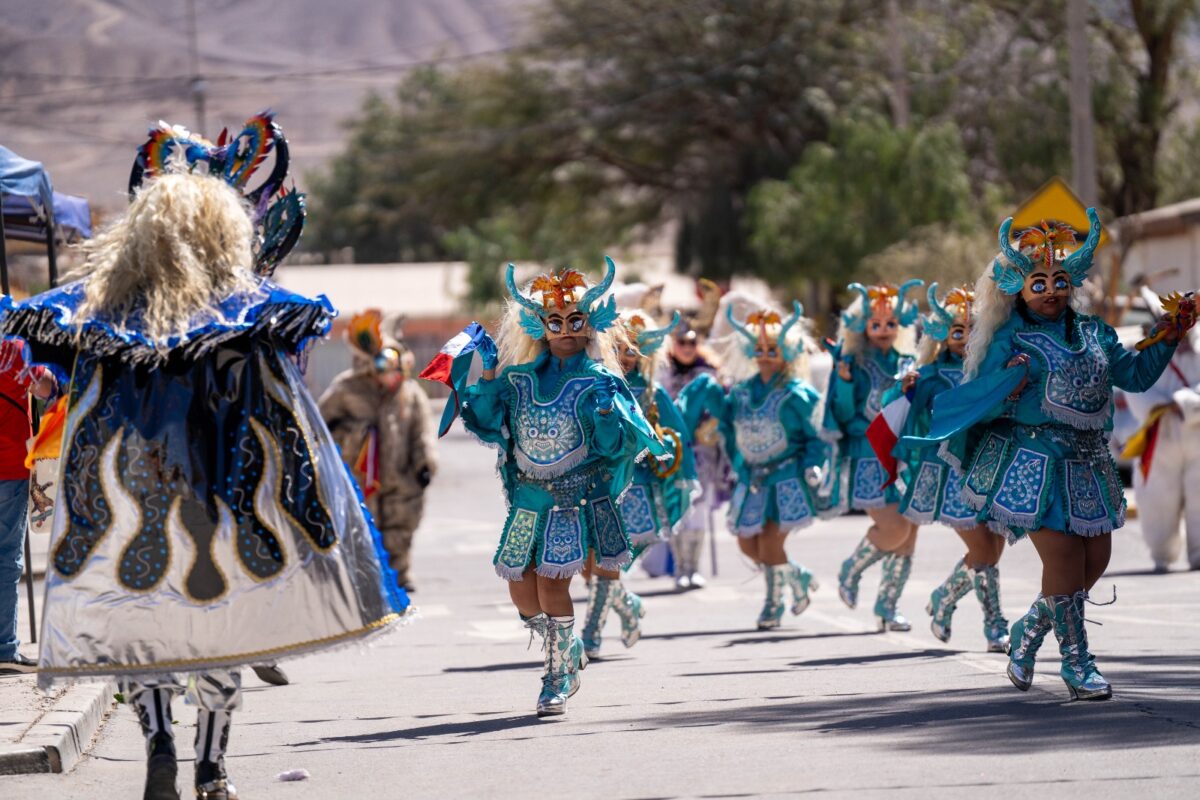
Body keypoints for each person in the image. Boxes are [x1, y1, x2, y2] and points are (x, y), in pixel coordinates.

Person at [0, 116, 410, 799]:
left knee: (144, 622)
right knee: (225, 627)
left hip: (130, 490)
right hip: (228, 487)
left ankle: (158, 738)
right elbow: (289, 373)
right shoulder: (244, 307)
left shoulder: (105, 311)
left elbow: (56, 365)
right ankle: (211, 765)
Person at [912, 209, 1189, 700]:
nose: (1050, 290)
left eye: (1059, 280)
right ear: (1018, 288)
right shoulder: (1008, 339)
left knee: (1093, 562)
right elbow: (983, 394)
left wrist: (1169, 335)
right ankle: (1077, 663)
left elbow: (1137, 377)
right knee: (1062, 561)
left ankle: (1028, 631)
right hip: (1031, 465)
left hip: (1088, 464)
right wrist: (1010, 385)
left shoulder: (1096, 333)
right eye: (1038, 282)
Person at [452, 259, 668, 717]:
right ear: (540, 326)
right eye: (556, 321)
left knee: (553, 587)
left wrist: (608, 416)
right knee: (521, 594)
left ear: (591, 325)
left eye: (576, 321)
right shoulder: (519, 378)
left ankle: (556, 676)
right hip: (529, 500)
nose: (566, 330)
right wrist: (489, 373)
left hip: (575, 499)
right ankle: (566, 646)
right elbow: (490, 424)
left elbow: (613, 448)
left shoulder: (600, 379)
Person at [679, 302, 823, 630]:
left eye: (772, 348)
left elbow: (817, 434)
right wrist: (708, 390)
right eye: (759, 349)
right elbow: (727, 417)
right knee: (748, 543)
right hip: (754, 478)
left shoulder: (797, 393)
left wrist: (814, 465)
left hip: (787, 476)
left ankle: (773, 606)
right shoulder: (742, 391)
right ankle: (798, 576)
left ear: (787, 352)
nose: (765, 354)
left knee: (771, 545)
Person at [890, 285, 1009, 652]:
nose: (966, 337)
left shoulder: (994, 367)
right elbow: (901, 410)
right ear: (944, 335)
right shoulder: (930, 375)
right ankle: (994, 626)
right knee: (983, 552)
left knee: (992, 551)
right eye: (958, 330)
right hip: (953, 473)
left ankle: (943, 598)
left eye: (974, 328)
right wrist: (906, 391)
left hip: (992, 466)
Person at [580, 310, 698, 658]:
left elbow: (679, 437)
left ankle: (592, 632)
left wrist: (680, 474)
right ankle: (629, 606)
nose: (627, 358)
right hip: (593, 486)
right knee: (588, 566)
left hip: (634, 492)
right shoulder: (592, 384)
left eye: (633, 351)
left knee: (605, 563)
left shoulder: (651, 392)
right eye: (620, 349)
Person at [824, 281, 924, 631]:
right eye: (876, 324)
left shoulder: (908, 362)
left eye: (891, 324)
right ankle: (851, 569)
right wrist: (846, 380)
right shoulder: (854, 362)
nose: (884, 330)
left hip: (905, 455)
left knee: (909, 534)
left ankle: (887, 607)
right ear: (862, 326)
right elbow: (841, 411)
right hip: (868, 455)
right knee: (893, 527)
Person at [320, 309, 437, 592]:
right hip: (360, 475)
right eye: (385, 364)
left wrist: (425, 463)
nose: (392, 373)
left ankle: (400, 573)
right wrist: (347, 436)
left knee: (401, 526)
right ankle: (366, 575)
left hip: (400, 476)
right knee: (361, 523)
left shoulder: (410, 394)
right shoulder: (346, 388)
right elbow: (321, 425)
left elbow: (422, 432)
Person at [658, 316, 731, 589]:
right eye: (681, 342)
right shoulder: (661, 371)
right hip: (670, 450)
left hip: (702, 452)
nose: (687, 347)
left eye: (692, 342)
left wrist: (711, 426)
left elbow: (723, 405)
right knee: (675, 506)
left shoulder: (709, 373)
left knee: (698, 507)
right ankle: (679, 567)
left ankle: (694, 567)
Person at [1122, 325, 1200, 572]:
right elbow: (1135, 385)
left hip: (1196, 433)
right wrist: (1161, 406)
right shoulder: (1151, 354)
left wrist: (1184, 403)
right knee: (1157, 496)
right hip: (1160, 435)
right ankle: (1161, 553)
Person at [0, 340, 55, 675]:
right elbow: (46, 387)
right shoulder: (12, 348)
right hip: (8, 467)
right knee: (6, 558)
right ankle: (5, 649)